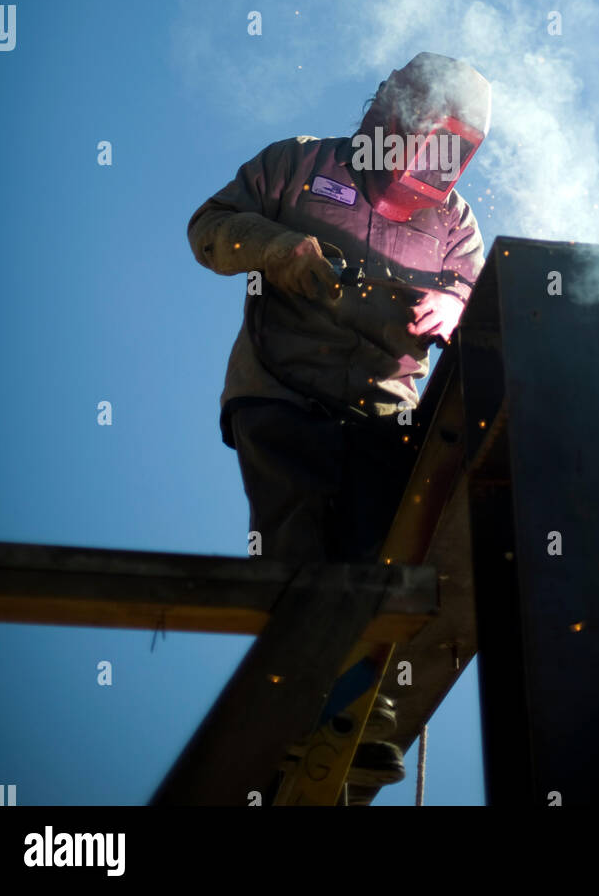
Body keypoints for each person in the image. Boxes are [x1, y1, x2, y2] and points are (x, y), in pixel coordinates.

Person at [186, 51, 490, 798]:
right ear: (393, 118)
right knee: (295, 544)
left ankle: (356, 716)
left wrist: (454, 307)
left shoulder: (452, 222)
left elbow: (475, 293)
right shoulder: (298, 163)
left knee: (375, 554)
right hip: (276, 388)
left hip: (382, 410)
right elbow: (209, 227)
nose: (432, 173)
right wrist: (282, 252)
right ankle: (289, 708)